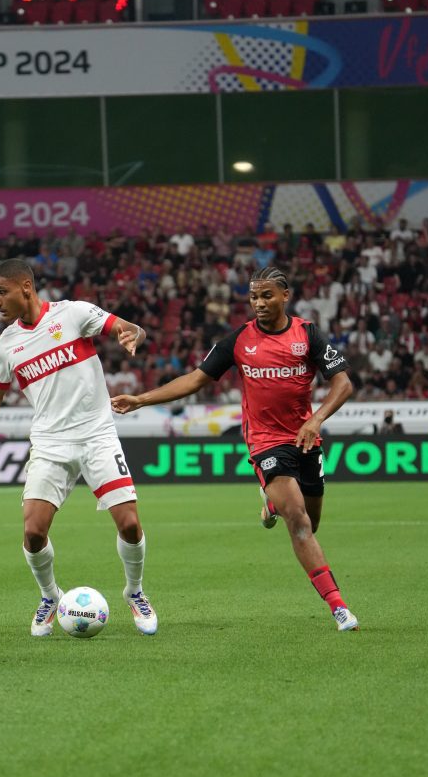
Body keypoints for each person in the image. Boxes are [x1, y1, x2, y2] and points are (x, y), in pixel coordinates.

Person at [112, 265, 360, 633]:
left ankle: (270, 504)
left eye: (266, 295)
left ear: (285, 296)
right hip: (265, 443)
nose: (258, 303)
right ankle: (339, 607)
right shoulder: (239, 340)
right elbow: (195, 379)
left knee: (312, 520)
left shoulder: (307, 335)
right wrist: (142, 399)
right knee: (299, 520)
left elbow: (343, 383)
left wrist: (316, 419)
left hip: (306, 439)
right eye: (254, 296)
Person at [0, 259, 158, 638]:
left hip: (97, 435)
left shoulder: (73, 314)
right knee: (34, 532)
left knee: (131, 524)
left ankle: (135, 591)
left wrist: (130, 333)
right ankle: (49, 596)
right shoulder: (7, 343)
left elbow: (127, 326)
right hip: (50, 444)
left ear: (25, 287)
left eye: (0, 291)